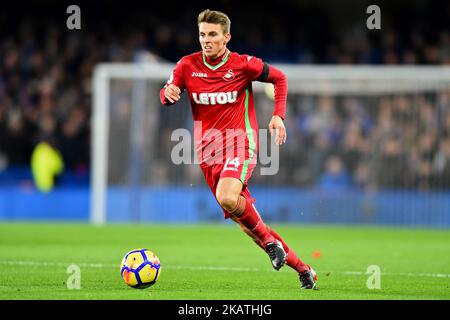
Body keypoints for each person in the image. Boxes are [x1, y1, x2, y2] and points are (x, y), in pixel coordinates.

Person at [160, 9, 317, 290]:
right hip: (207, 154)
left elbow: (280, 78)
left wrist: (278, 115)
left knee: (227, 196)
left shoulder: (244, 65)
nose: (206, 40)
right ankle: (305, 270)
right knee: (249, 226)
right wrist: (167, 94)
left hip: (239, 143)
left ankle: (271, 244)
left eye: (212, 35)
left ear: (226, 37)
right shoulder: (186, 66)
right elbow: (168, 92)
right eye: (202, 35)